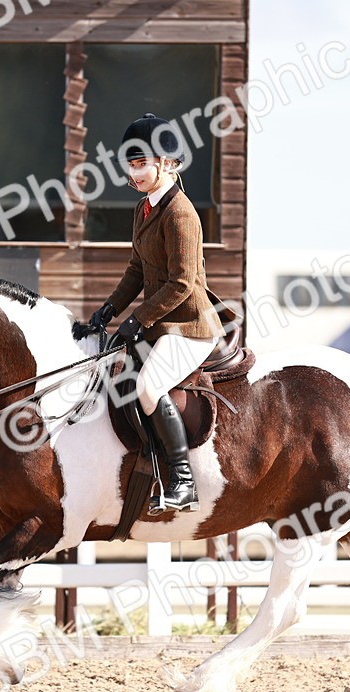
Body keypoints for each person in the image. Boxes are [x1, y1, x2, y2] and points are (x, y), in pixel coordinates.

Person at [89, 113, 222, 514]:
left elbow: (181, 283)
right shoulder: (144, 208)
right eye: (130, 165)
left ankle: (183, 482)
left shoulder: (181, 214)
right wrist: (110, 307)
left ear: (166, 163)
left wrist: (136, 320)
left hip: (190, 326)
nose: (135, 172)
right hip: (162, 325)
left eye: (141, 163)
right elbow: (136, 269)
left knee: (148, 388)